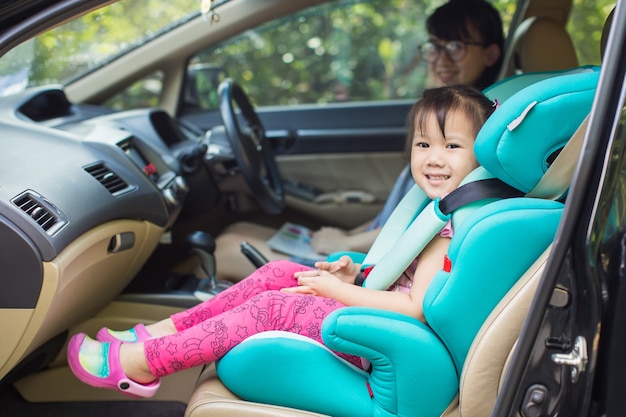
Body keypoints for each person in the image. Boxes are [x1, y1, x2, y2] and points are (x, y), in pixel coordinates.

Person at [67, 84, 498, 398]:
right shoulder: (437, 211)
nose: (433, 157)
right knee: (279, 272)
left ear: (484, 153)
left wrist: (337, 290)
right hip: (374, 319)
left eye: (452, 146)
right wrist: (354, 273)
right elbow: (399, 277)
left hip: (379, 341)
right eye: (423, 143)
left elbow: (415, 308)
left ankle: (143, 365)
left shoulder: (448, 231)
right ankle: (153, 335)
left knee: (274, 306)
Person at [214, 0, 504, 281]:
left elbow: (418, 226)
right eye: (434, 46)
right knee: (237, 229)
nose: (440, 59)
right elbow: (397, 213)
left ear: (490, 54)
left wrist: (349, 244)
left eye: (455, 47)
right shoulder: (436, 125)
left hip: (372, 264)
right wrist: (349, 236)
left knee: (224, 248)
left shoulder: (472, 137)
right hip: (370, 247)